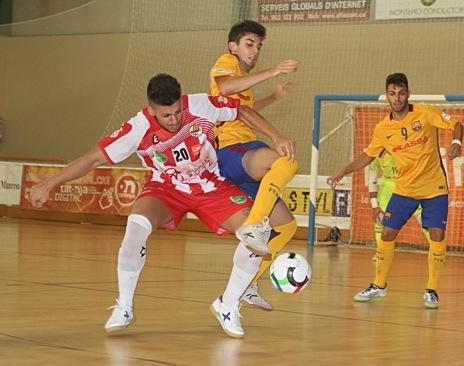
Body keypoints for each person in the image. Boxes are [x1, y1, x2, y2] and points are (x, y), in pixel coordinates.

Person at [29, 73, 283, 338]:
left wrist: (277, 137)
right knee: (136, 226)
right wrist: (49, 183)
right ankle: (124, 306)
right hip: (166, 188)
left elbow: (241, 111)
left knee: (257, 234)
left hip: (210, 185)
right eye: (166, 116)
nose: (173, 120)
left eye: (176, 113)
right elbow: (93, 159)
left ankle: (227, 305)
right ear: (151, 110)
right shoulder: (137, 128)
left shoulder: (198, 105)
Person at [328, 72, 464, 309]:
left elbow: (456, 124)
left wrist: (456, 143)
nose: (397, 98)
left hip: (434, 188)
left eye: (401, 93)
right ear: (387, 96)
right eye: (392, 93)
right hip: (404, 189)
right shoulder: (383, 128)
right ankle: (379, 285)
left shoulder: (426, 113)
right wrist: (343, 171)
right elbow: (368, 156)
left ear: (408, 93)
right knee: (387, 233)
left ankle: (432, 290)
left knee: (437, 235)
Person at [209, 20, 299, 311]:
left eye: (259, 45)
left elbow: (246, 109)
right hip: (230, 152)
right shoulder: (227, 63)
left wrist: (273, 97)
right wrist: (273, 71)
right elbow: (225, 87)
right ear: (232, 46)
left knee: (286, 226)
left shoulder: (243, 84)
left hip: (244, 157)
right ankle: (252, 225)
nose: (255, 50)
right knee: (284, 161)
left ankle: (245, 286)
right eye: (250, 43)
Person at [368, 152, 430, 261]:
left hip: (408, 187)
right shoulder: (377, 152)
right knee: (380, 221)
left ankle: (437, 252)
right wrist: (374, 204)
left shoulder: (407, 148)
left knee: (424, 220)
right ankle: (381, 252)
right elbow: (372, 179)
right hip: (387, 190)